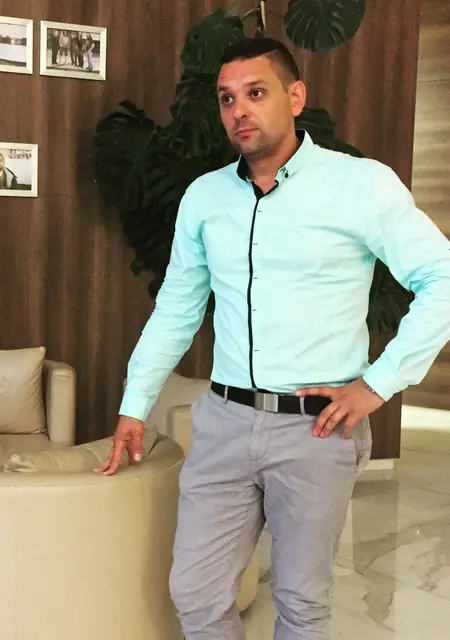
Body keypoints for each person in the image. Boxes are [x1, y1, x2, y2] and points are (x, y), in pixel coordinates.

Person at [97, 38, 450, 639]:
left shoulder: (360, 185)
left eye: (255, 93)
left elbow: (441, 278)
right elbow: (177, 309)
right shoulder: (205, 197)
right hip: (224, 422)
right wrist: (135, 403)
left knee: (301, 603)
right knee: (195, 592)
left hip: (316, 430)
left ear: (295, 96)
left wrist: (378, 384)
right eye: (226, 98)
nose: (239, 110)